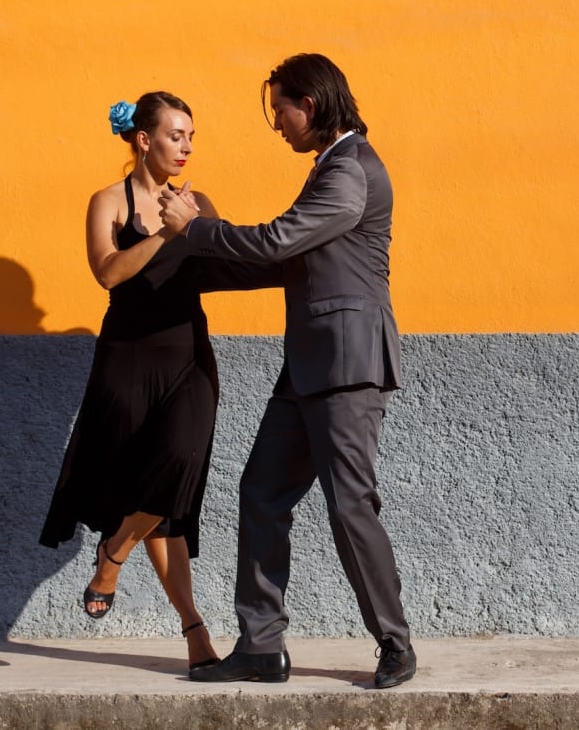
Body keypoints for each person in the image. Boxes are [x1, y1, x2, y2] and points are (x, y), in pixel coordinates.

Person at [150, 53, 415, 689]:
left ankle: (395, 643)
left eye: (282, 113)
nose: (278, 127)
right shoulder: (330, 170)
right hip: (307, 368)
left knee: (351, 506)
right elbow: (286, 264)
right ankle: (261, 645)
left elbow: (274, 242)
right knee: (262, 494)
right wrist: (186, 270)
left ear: (312, 105)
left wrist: (200, 227)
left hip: (347, 367)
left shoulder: (349, 172)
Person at [38, 91, 272, 677]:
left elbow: (225, 263)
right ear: (144, 140)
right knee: (160, 507)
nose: (187, 147)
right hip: (126, 361)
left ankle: (113, 551)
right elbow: (107, 271)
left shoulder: (198, 202)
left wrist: (277, 259)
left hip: (188, 354)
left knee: (181, 462)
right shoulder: (108, 201)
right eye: (176, 135)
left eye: (192, 137)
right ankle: (195, 632)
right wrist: (167, 234)